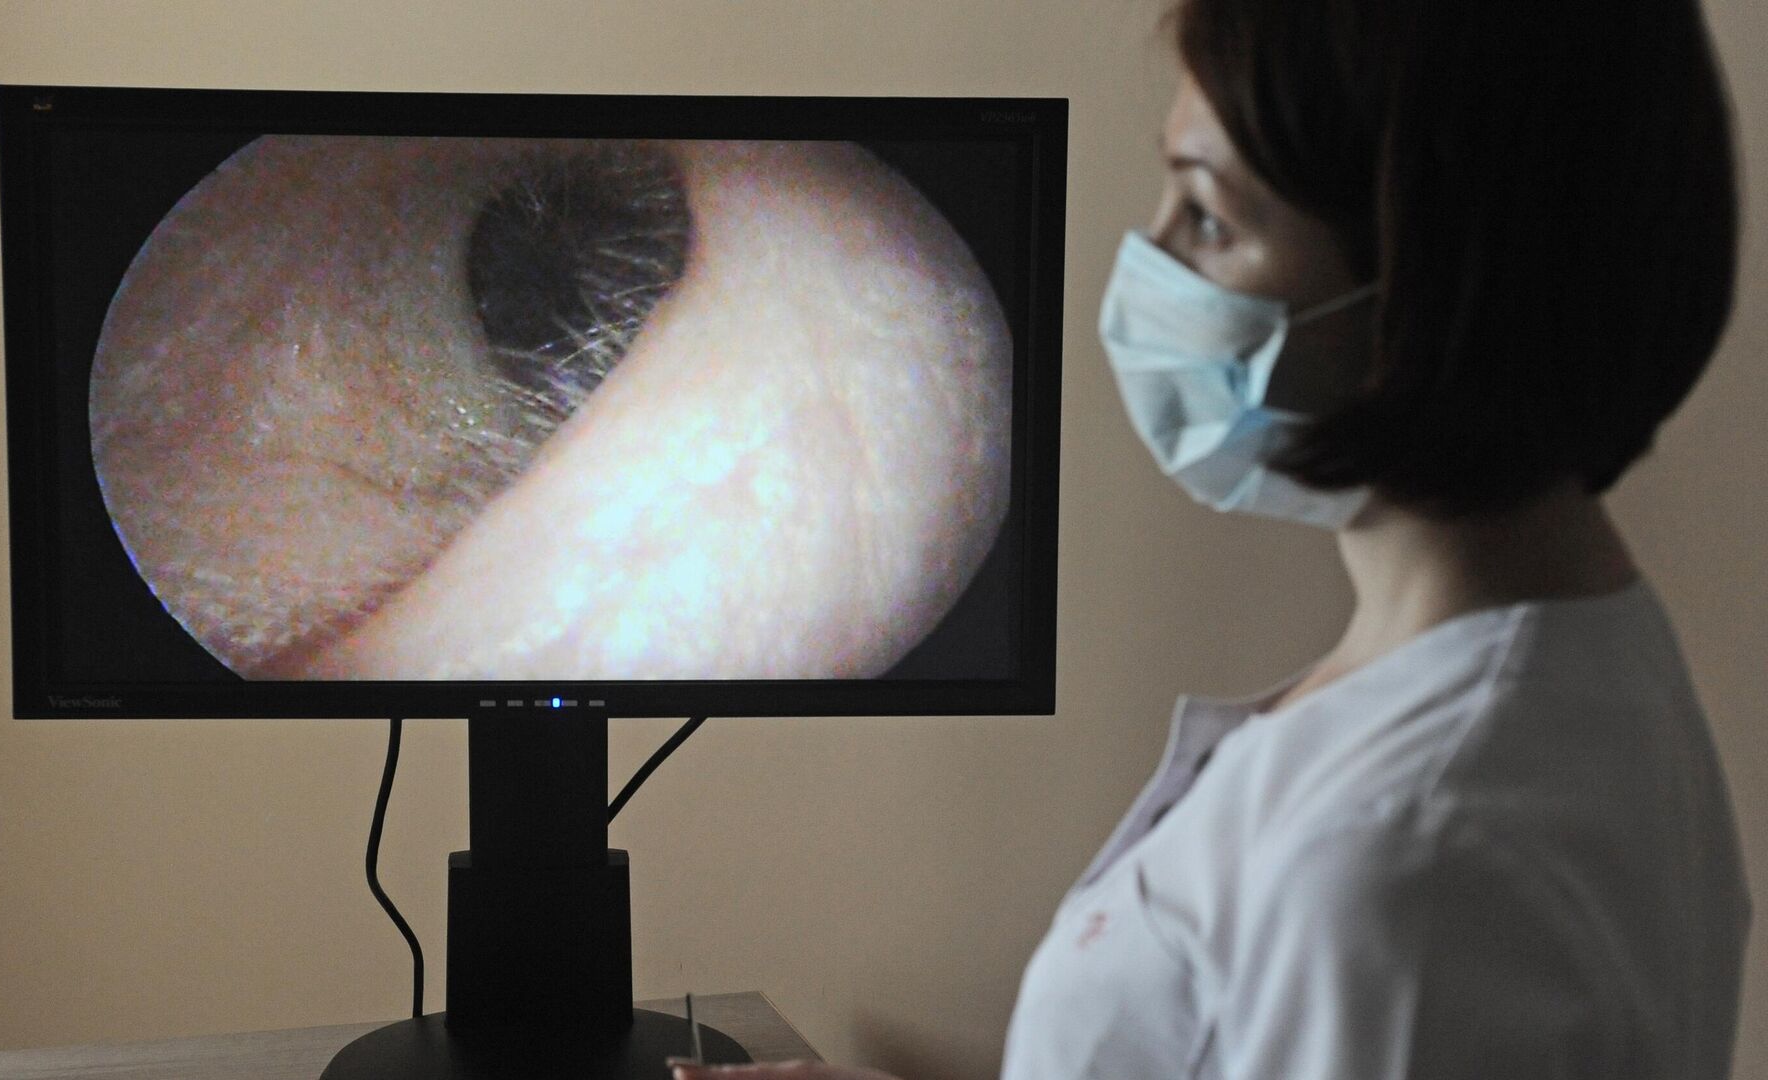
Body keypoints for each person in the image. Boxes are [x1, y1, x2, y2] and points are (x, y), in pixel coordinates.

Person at [669, 0, 1752, 1076]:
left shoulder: (1403, 861)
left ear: (1432, 281)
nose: (1146, 260)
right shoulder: (1569, 656)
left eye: (1211, 219)